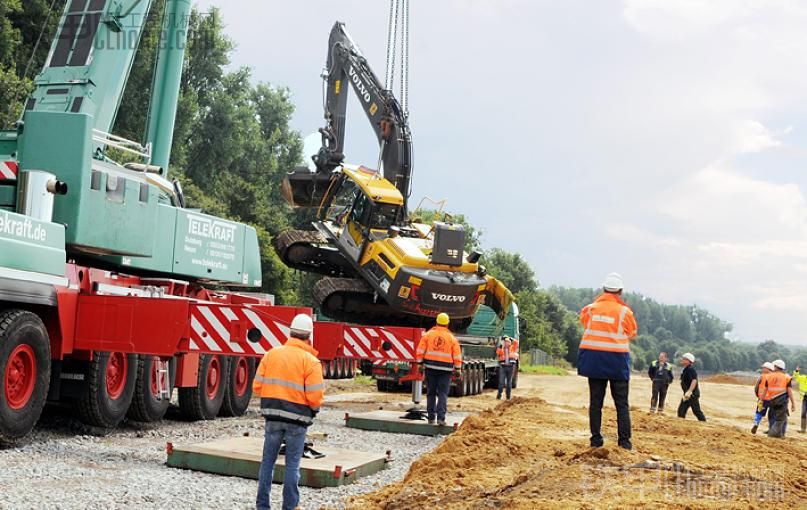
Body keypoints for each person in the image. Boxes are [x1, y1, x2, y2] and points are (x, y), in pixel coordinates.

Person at [253, 314, 324, 510]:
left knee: (267, 462)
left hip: (272, 417)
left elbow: (257, 386)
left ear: (290, 332)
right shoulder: (311, 362)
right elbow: (315, 398)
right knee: (293, 465)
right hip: (297, 420)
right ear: (309, 336)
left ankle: (262, 506)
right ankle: (290, 507)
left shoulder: (271, 354)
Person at [577, 272, 638, 450]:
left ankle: (596, 440)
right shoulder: (625, 312)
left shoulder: (589, 309)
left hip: (594, 359)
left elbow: (585, 323)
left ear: (604, 289)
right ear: (620, 291)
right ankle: (624, 442)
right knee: (621, 404)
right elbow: (632, 333)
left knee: (595, 402)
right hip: (617, 361)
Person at [416, 312, 462, 425]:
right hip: (445, 370)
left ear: (436, 322)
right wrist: (458, 369)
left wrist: (419, 363)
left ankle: (431, 417)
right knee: (442, 393)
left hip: (430, 367)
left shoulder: (427, 335)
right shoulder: (452, 338)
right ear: (447, 324)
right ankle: (441, 418)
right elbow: (457, 355)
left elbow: (420, 350)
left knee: (431, 393)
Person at [760, 359, 795, 438]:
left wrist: (761, 401)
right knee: (781, 419)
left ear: (776, 367)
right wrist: (793, 403)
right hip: (782, 400)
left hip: (772, 400)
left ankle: (776, 432)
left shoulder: (768, 376)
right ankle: (775, 434)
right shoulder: (787, 377)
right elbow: (789, 391)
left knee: (772, 416)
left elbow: (765, 390)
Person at [677, 353, 706, 421]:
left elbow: (694, 380)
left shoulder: (690, 369)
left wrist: (689, 391)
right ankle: (681, 424)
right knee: (681, 410)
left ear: (688, 361)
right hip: (688, 394)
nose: (682, 360)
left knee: (696, 410)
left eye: (684, 359)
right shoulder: (686, 369)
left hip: (692, 394)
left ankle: (704, 423)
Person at [751, 362, 774, 434]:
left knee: (759, 412)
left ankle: (756, 423)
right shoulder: (774, 377)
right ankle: (771, 428)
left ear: (768, 369)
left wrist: (757, 395)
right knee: (772, 415)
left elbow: (756, 386)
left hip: (762, 399)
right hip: (772, 399)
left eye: (763, 368)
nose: (762, 369)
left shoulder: (762, 376)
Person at [496, 335, 519, 400]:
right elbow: (497, 353)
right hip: (503, 367)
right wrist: (500, 346)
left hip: (511, 367)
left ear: (510, 342)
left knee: (509, 382)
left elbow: (516, 342)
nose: (506, 343)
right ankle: (499, 395)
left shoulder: (512, 348)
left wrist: (510, 337)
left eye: (508, 342)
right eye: (505, 342)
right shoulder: (501, 349)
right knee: (501, 382)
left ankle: (508, 396)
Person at [793, 366, 807, 433]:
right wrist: (796, 371)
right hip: (805, 399)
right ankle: (803, 429)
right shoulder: (803, 378)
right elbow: (796, 378)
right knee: (803, 413)